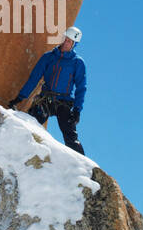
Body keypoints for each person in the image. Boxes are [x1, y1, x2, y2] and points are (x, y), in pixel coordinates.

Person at [7, 25, 87, 154]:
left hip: (64, 102)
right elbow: (34, 78)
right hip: (46, 99)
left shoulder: (77, 63)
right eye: (66, 39)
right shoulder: (48, 57)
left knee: (70, 137)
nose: (66, 43)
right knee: (29, 125)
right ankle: (16, 152)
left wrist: (77, 110)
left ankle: (85, 169)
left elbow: (81, 88)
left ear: (74, 44)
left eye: (70, 41)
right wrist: (20, 98)